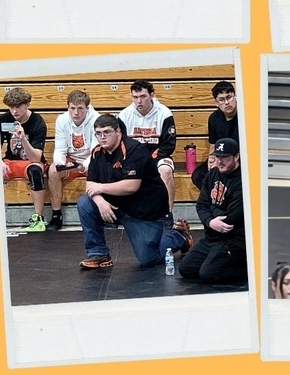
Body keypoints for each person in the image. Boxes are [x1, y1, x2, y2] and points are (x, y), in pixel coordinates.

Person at [77, 114, 192, 269]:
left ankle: (179, 237)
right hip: (117, 207)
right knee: (85, 203)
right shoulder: (97, 152)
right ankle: (99, 253)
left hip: (145, 212)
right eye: (98, 133)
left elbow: (132, 186)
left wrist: (100, 188)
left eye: (107, 132)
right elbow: (90, 185)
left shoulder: (134, 150)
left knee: (148, 259)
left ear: (118, 132)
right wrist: (100, 201)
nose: (102, 137)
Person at [179, 138, 247, 284]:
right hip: (211, 236)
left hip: (232, 240)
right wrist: (210, 221)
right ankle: (218, 259)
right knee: (186, 269)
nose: (220, 161)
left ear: (236, 157)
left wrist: (211, 211)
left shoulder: (242, 181)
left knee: (208, 274)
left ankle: (247, 268)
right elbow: (201, 205)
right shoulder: (213, 174)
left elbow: (230, 219)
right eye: (218, 157)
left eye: (225, 157)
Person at [117, 79, 177, 225]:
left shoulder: (165, 113)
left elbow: (169, 144)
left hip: (159, 156)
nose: (139, 101)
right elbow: (122, 144)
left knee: (165, 171)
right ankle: (123, 213)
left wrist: (151, 160)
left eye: (143, 96)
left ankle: (167, 214)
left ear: (151, 95)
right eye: (135, 97)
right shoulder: (124, 115)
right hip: (134, 158)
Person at [46, 90, 100, 230]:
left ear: (87, 108)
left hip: (92, 158)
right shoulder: (62, 120)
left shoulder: (96, 120)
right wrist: (60, 163)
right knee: (53, 170)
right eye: (72, 108)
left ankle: (102, 212)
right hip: (71, 159)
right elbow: (60, 147)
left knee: (103, 166)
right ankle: (56, 215)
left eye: (80, 108)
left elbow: (96, 150)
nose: (76, 112)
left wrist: (84, 165)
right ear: (68, 108)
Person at [0, 87, 48, 232]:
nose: (14, 111)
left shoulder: (37, 122)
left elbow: (35, 157)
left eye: (18, 107)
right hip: (10, 161)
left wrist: (23, 139)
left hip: (31, 162)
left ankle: (38, 218)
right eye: (11, 107)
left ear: (27, 105)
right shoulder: (4, 119)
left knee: (35, 172)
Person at [194, 80, 239, 191]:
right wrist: (212, 158)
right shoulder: (213, 118)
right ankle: (216, 199)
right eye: (222, 100)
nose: (227, 102)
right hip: (221, 156)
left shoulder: (245, 114)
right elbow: (213, 145)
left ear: (235, 97)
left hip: (239, 158)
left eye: (229, 97)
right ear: (216, 103)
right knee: (198, 176)